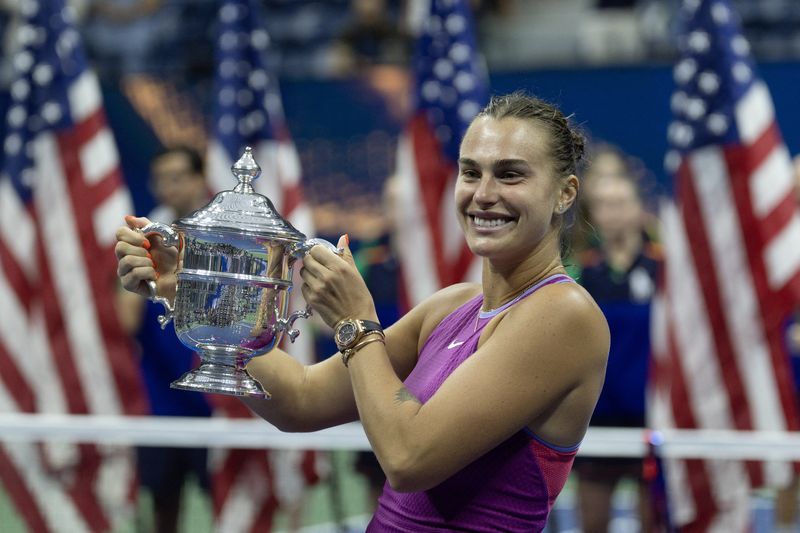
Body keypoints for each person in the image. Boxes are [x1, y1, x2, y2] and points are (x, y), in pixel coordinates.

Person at [115, 92, 610, 530]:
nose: (483, 194)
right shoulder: (453, 306)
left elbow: (408, 458)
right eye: (471, 172)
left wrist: (356, 324)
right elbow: (300, 402)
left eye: (510, 174)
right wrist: (186, 293)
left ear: (565, 192)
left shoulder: (563, 313)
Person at [116, 145, 212, 533]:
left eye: (178, 177)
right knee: (163, 508)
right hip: (161, 397)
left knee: (233, 500)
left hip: (216, 399)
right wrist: (139, 268)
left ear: (200, 180)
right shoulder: (142, 241)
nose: (168, 187)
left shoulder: (221, 241)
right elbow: (126, 320)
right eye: (161, 179)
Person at [571, 144, 660, 533]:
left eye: (621, 203)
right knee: (593, 524)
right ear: (595, 213)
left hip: (651, 418)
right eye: (604, 205)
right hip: (596, 420)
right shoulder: (579, 275)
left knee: (653, 523)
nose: (614, 212)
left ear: (639, 207)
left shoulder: (666, 268)